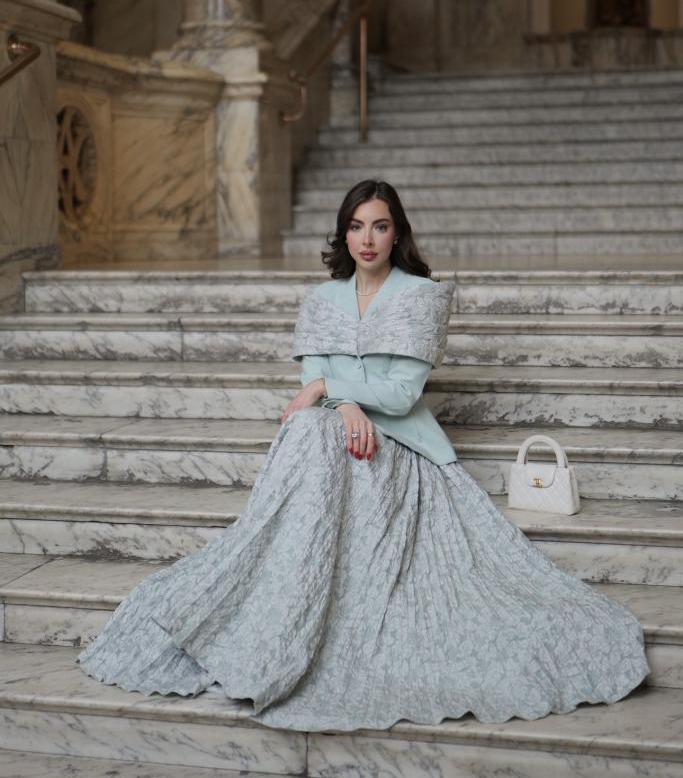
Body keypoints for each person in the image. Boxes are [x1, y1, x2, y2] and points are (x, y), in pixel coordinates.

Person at [77, 178, 650, 732]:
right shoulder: (321, 299)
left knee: (313, 429)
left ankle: (304, 614)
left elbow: (398, 396)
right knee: (308, 431)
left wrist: (333, 390)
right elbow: (310, 384)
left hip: (401, 446)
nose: (367, 239)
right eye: (355, 227)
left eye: (379, 226)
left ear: (397, 233)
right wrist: (341, 404)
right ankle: (282, 605)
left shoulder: (421, 297)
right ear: (343, 234)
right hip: (331, 439)